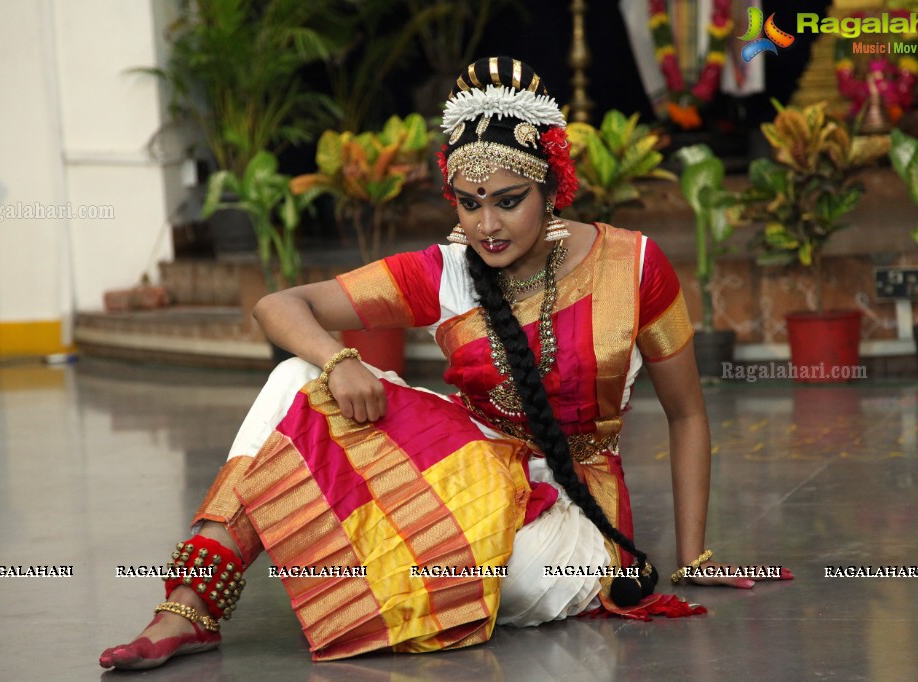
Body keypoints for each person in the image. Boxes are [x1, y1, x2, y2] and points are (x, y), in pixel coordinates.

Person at [100, 57, 792, 671]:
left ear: (553, 188)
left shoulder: (635, 266)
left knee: (510, 578)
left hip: (572, 519)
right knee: (292, 379)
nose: (486, 226)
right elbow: (280, 306)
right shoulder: (447, 270)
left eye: (508, 201)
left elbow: (687, 413)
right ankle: (188, 609)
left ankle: (393, 571)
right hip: (466, 474)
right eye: (468, 203)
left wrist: (694, 555)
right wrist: (337, 359)